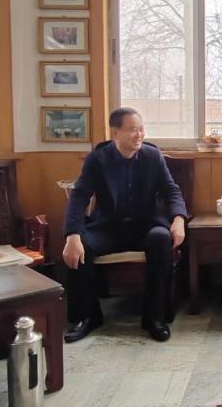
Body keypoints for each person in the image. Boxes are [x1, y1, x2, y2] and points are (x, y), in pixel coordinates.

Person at [63, 107, 187, 343]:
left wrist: (179, 219)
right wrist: (72, 235)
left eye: (141, 129)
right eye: (132, 130)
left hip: (145, 226)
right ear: (115, 133)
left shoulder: (153, 156)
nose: (139, 135)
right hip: (109, 227)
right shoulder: (97, 159)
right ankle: (88, 316)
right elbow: (79, 197)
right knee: (80, 246)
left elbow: (171, 190)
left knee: (161, 238)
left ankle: (154, 318)